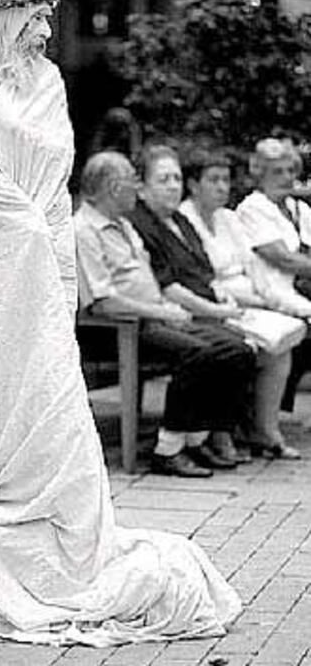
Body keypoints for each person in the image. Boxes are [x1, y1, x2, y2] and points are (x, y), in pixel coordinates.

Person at [0, 0, 241, 646]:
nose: (44, 34)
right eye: (34, 22)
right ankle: (0, 510)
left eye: (46, 22)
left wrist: (49, 246)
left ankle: (63, 538)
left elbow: (58, 169)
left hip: (45, 257)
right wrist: (25, 231)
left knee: (52, 392)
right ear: (0, 20)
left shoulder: (46, 82)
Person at [75, 149, 257, 475]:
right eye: (133, 182)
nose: (137, 190)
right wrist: (162, 311)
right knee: (202, 354)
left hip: (155, 317)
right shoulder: (84, 230)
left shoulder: (124, 225)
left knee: (237, 349)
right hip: (119, 329)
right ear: (114, 187)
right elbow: (103, 302)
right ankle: (168, 449)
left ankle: (194, 439)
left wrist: (170, 308)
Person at [178, 146, 306, 459]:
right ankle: (221, 430)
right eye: (214, 180)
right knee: (246, 346)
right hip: (214, 301)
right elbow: (202, 278)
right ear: (194, 184)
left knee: (281, 341)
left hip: (249, 297)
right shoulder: (185, 220)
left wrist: (271, 301)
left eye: (225, 180)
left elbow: (253, 268)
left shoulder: (229, 218)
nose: (222, 187)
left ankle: (265, 429)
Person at [236, 138, 311, 416]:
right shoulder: (252, 208)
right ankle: (261, 418)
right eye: (277, 171)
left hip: (301, 288)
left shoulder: (298, 209)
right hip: (272, 291)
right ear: (260, 173)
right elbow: (282, 258)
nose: (286, 178)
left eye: (290, 171)